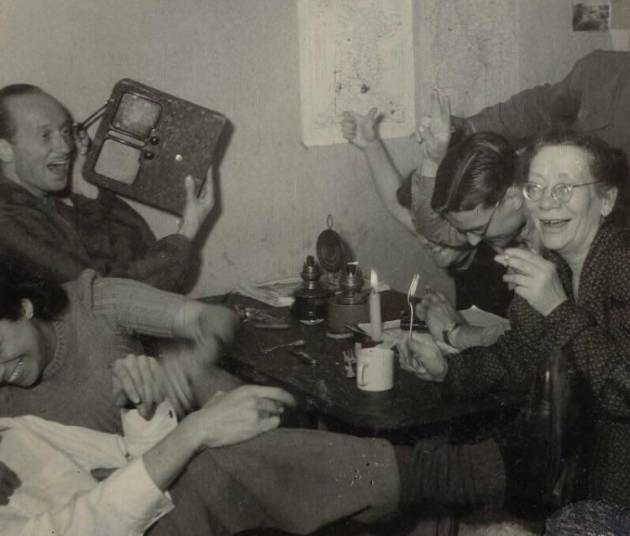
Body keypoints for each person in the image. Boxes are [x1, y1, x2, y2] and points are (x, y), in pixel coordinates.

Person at [0, 264, 506, 534]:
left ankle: (445, 481)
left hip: (148, 479)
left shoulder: (91, 302)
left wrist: (159, 393)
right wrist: (191, 432)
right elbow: (89, 516)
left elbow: (214, 320)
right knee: (218, 462)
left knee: (230, 455)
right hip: (141, 497)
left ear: (22, 307)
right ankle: (456, 474)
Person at [400, 129, 630, 514]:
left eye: (565, 188)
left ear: (605, 200)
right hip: (581, 477)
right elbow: (517, 357)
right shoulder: (551, 265)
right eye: (536, 188)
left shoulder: (623, 262)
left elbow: (624, 392)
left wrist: (557, 307)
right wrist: (448, 369)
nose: (547, 202)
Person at [342, 93, 530, 348]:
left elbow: (521, 344)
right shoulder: (457, 233)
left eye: (435, 230)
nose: (426, 239)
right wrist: (371, 145)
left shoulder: (492, 238)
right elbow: (398, 206)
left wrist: (455, 327)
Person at [0, 83, 214, 291]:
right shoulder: (8, 223)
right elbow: (109, 294)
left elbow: (138, 250)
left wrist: (88, 192)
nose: (65, 147)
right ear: (4, 150)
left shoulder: (47, 204)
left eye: (65, 132)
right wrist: (188, 231)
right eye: (45, 136)